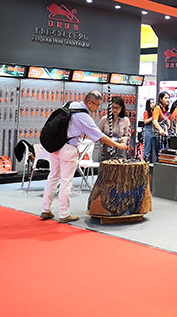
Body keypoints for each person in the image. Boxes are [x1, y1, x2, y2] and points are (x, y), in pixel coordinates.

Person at [40, 90, 127, 223]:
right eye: (97, 105)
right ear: (90, 102)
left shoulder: (70, 104)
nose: (98, 108)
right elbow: (100, 136)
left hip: (55, 146)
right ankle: (64, 214)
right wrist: (118, 145)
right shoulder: (84, 117)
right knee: (66, 182)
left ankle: (45, 209)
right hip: (69, 149)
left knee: (52, 177)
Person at [98, 95, 130, 160]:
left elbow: (127, 136)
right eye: (113, 107)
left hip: (120, 150)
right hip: (106, 150)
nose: (115, 110)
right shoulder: (104, 119)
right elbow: (98, 134)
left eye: (117, 108)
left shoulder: (125, 120)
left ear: (121, 108)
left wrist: (118, 140)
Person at [151, 91, 170, 164]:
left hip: (163, 135)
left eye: (168, 98)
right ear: (161, 99)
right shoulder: (157, 108)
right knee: (159, 156)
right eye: (165, 98)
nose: (167, 100)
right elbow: (154, 121)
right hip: (157, 135)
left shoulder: (164, 110)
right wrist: (160, 130)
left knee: (163, 156)